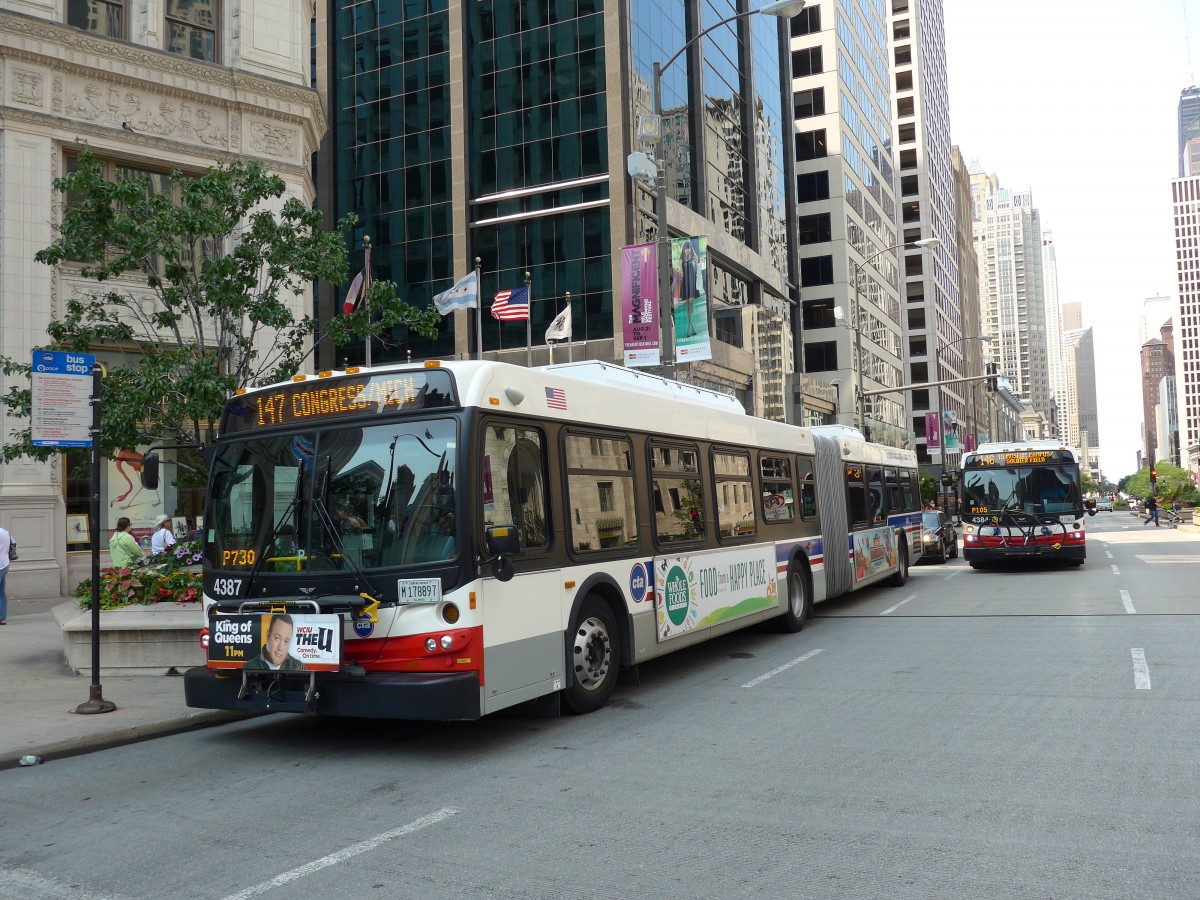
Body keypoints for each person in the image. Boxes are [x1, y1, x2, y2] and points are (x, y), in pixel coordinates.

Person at [676, 239, 700, 338]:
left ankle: (689, 328)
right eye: (686, 249)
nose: (687, 250)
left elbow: (696, 270)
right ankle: (692, 327)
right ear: (683, 249)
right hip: (685, 284)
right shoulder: (681, 260)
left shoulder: (694, 258)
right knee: (687, 307)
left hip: (692, 283)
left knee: (691, 306)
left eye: (689, 248)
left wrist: (693, 252)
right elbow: (681, 274)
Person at [0, 524, 11, 625]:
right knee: (1, 593)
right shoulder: (6, 532)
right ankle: (2, 618)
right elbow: (14, 543)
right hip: (5, 564)